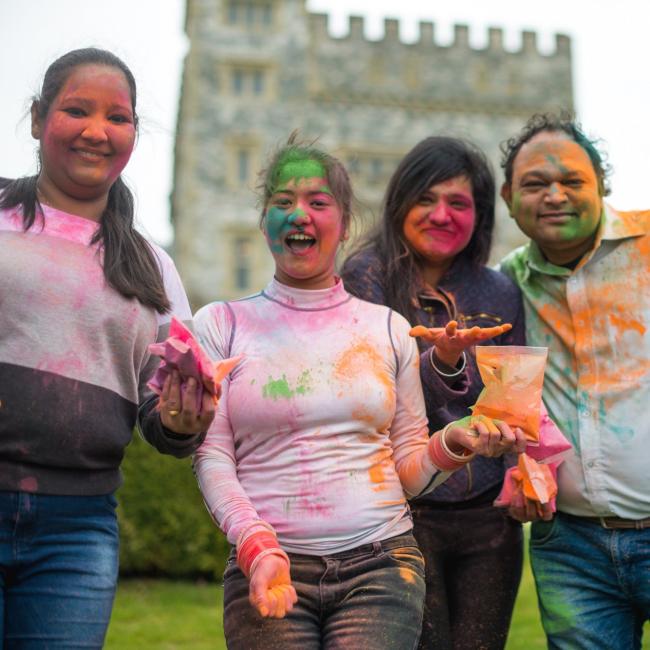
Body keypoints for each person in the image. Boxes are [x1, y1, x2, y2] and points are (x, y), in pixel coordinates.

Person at [193, 136, 526, 649]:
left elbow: (409, 466)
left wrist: (455, 441)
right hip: (269, 562)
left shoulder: (389, 328)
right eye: (283, 202)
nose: (300, 215)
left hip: (383, 564)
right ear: (263, 223)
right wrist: (255, 544)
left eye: (318, 202)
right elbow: (213, 456)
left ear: (343, 224)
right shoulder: (220, 324)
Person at [0, 48, 214, 648]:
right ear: (40, 118)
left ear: (134, 134)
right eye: (77, 110)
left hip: (77, 529)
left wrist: (180, 420)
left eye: (117, 118)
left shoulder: (152, 266)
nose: (97, 131)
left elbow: (166, 416)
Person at [342, 136, 527, 649]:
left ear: (481, 215)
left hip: (489, 519)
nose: (440, 214)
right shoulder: (366, 277)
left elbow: (517, 396)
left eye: (459, 203)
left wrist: (522, 470)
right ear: (399, 202)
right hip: (403, 513)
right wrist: (441, 362)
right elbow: (371, 394)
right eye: (426, 198)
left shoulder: (499, 291)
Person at [499, 113, 650, 650]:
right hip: (570, 548)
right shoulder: (507, 285)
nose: (555, 196)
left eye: (573, 182)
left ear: (603, 187)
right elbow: (509, 405)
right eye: (536, 184)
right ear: (508, 196)